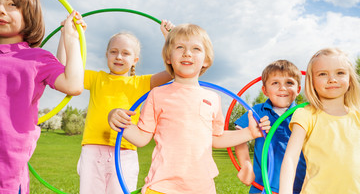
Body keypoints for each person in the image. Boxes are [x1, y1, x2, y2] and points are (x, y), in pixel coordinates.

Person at [108, 23, 271, 194]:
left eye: (195, 48)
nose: (187, 53)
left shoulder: (213, 99)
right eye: (180, 47)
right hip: (162, 186)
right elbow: (141, 138)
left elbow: (216, 138)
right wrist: (119, 121)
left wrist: (249, 133)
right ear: (168, 57)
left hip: (202, 187)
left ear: (206, 59)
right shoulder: (157, 94)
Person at [57, 20, 174, 193]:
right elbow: (62, 69)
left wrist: (170, 40)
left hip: (124, 153)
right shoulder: (97, 78)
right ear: (107, 55)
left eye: (125, 53)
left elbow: (172, 71)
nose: (118, 56)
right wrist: (66, 34)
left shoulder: (140, 83)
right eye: (114, 52)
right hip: (92, 151)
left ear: (134, 60)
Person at [0, 0, 86, 194]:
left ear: (29, 15)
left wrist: (71, 39)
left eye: (12, 5)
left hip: (8, 170)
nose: (1, 10)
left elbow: (73, 84)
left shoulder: (36, 58)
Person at [279, 48, 360, 194]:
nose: (332, 79)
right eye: (323, 74)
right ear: (312, 81)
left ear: (350, 78)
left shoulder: (358, 116)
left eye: (340, 73)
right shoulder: (306, 115)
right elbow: (291, 159)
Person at [234, 60, 306, 193]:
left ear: (298, 90)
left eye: (289, 83)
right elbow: (239, 137)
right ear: (265, 90)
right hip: (262, 186)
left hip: (299, 186)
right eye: (275, 83)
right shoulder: (257, 111)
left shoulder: (305, 113)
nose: (282, 88)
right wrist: (246, 164)